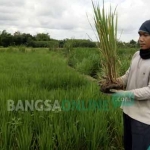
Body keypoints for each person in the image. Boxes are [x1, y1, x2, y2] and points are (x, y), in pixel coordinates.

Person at [100, 20, 150, 150]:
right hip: (128, 111)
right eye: (139, 35)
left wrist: (125, 94)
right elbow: (128, 75)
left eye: (145, 35)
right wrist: (114, 82)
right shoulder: (137, 55)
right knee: (127, 146)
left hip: (143, 118)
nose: (141, 39)